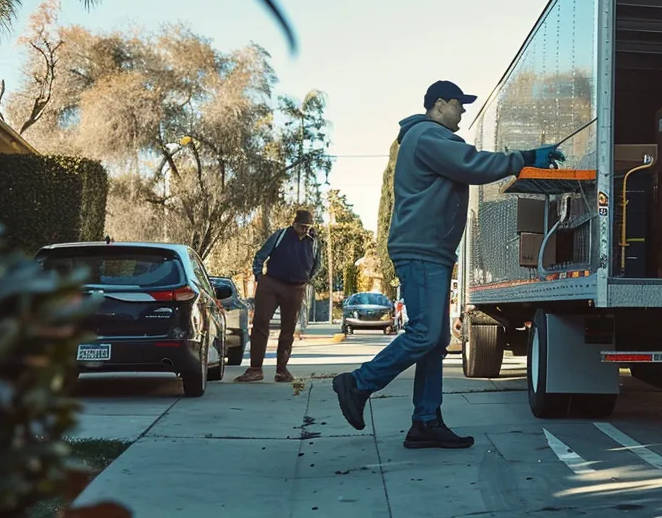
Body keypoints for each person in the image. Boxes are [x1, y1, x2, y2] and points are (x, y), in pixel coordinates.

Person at [331, 80, 564, 449]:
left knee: (435, 341)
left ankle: (425, 421)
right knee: (425, 334)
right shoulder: (427, 136)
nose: (462, 112)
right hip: (422, 249)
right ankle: (359, 383)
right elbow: (471, 163)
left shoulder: (424, 138)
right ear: (439, 104)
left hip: (430, 250)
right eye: (459, 104)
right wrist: (523, 157)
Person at [237, 209, 322, 383]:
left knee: (288, 329)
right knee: (261, 324)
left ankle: (282, 371)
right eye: (302, 226)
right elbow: (260, 255)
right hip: (271, 285)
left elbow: (317, 265)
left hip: (296, 288)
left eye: (308, 227)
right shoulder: (281, 235)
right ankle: (255, 369)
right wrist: (259, 276)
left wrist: (306, 280)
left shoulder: (314, 243)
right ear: (294, 223)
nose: (305, 230)